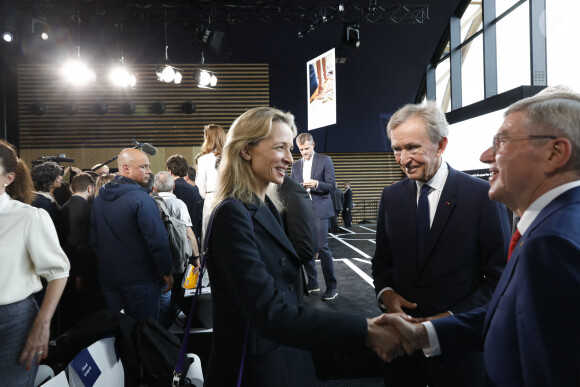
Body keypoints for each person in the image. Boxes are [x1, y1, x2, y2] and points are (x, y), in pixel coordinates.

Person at [381, 90, 580, 387]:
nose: (485, 155)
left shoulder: (555, 242)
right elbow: (509, 315)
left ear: (555, 153)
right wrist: (424, 333)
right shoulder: (552, 226)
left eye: (502, 142)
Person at [204, 106, 411, 386]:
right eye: (280, 148)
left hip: (282, 352)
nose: (290, 159)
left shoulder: (264, 204)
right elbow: (270, 312)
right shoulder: (233, 214)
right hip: (257, 366)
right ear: (246, 150)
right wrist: (365, 329)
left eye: (290, 149)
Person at [371, 101, 511, 387]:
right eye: (397, 149)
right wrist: (385, 294)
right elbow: (382, 262)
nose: (403, 159)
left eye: (413, 147)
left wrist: (447, 319)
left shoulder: (482, 196)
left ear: (441, 144)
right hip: (401, 353)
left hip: (458, 353)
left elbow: (499, 279)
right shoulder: (391, 197)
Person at [0, 139, 70, 385]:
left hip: (12, 321)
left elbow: (59, 272)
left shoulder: (27, 217)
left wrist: (42, 323)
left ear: (8, 178)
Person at [90, 148, 173, 321]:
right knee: (145, 334)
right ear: (126, 168)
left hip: (109, 279)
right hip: (141, 281)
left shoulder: (99, 200)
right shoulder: (142, 199)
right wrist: (166, 271)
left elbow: (94, 240)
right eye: (144, 167)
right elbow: (158, 241)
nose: (149, 172)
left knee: (120, 334)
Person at [290, 132, 339, 301]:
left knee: (322, 247)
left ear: (313, 145)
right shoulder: (295, 165)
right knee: (306, 248)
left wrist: (316, 184)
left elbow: (332, 186)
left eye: (306, 148)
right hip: (302, 210)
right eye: (301, 149)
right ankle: (313, 283)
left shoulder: (325, 160)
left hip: (320, 209)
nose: (303, 152)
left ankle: (332, 286)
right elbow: (291, 188)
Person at [56, 172, 104, 331]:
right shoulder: (88, 209)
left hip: (65, 270)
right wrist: (80, 274)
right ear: (90, 188)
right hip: (82, 272)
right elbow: (81, 245)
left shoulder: (63, 208)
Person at [195, 124, 226, 238]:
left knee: (209, 236)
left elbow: (200, 189)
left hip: (211, 200)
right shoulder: (231, 157)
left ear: (208, 138)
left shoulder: (203, 159)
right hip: (230, 199)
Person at [166, 154, 203, 246]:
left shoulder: (169, 190)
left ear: (170, 171)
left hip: (174, 241)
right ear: (186, 172)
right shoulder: (195, 190)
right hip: (193, 240)